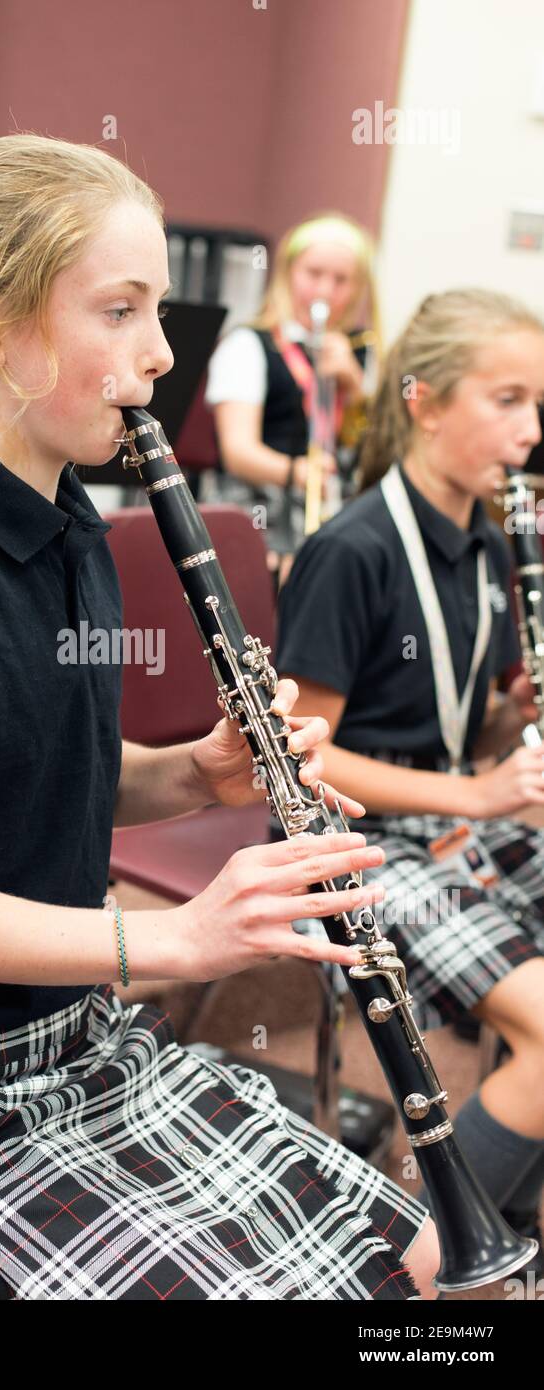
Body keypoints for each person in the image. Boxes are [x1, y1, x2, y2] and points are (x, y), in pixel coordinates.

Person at [0, 133, 439, 1301]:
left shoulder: (70, 523)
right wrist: (176, 942)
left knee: (418, 1256)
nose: (156, 356)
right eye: (120, 312)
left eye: (160, 314)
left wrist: (197, 772)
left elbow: (44, 775)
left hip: (75, 1044)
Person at [275, 287, 544, 1269]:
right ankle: (411, 1263)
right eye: (506, 400)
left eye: (536, 405)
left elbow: (459, 718)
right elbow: (299, 758)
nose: (529, 431)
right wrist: (477, 793)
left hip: (437, 814)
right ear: (423, 401)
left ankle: (503, 1214)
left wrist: (512, 708)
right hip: (339, 840)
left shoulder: (484, 539)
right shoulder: (353, 550)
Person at [203, 211, 378, 579]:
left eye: (342, 280)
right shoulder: (248, 345)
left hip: (342, 519)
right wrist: (299, 473)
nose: (326, 291)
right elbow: (238, 452)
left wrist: (355, 386)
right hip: (261, 515)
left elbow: (376, 448)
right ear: (287, 275)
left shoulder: (363, 353)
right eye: (313, 275)